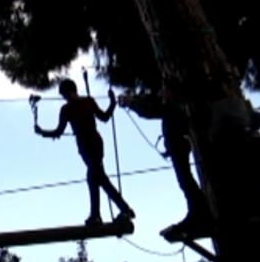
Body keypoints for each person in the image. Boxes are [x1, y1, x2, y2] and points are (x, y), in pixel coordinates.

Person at [36, 79, 135, 225]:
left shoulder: (68, 109)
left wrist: (42, 132)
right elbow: (105, 117)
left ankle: (101, 214)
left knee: (94, 178)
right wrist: (112, 102)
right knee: (99, 178)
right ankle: (119, 211)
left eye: (64, 95)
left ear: (69, 92)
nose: (64, 98)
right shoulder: (86, 102)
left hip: (88, 146)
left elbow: (58, 132)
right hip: (94, 144)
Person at [121, 88, 208, 239]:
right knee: (185, 180)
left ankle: (199, 212)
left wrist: (132, 103)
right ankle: (198, 211)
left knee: (185, 181)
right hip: (177, 146)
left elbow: (150, 112)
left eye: (165, 90)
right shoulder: (176, 107)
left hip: (178, 146)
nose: (161, 93)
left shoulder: (172, 107)